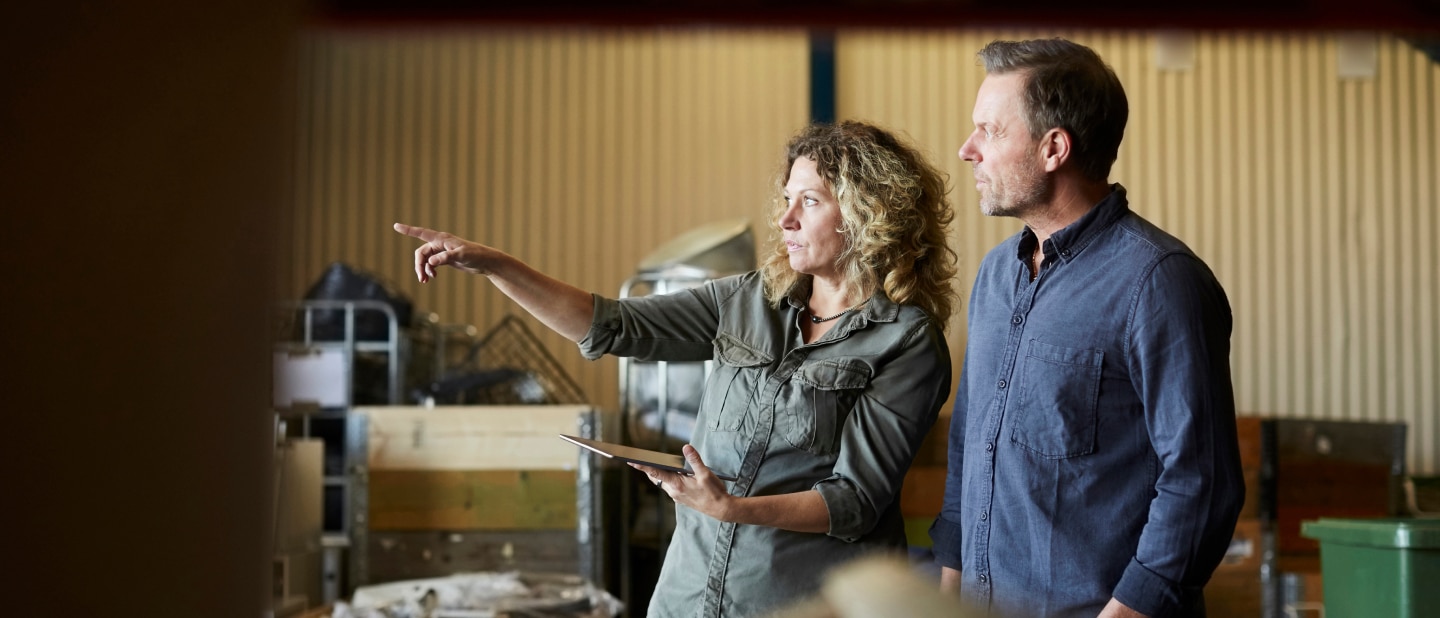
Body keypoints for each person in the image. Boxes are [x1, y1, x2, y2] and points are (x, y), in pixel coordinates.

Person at [395, 120, 959, 618]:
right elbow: (610, 325)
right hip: (688, 597)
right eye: (786, 198)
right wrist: (496, 265)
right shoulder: (748, 300)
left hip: (797, 603)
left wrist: (732, 509)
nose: (785, 218)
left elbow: (855, 500)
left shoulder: (905, 342)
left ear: (867, 213)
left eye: (809, 201)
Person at [930, 39, 1244, 618]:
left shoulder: (1160, 284)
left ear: (1053, 148)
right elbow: (969, 443)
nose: (967, 149)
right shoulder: (997, 275)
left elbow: (1202, 484)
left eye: (990, 131)